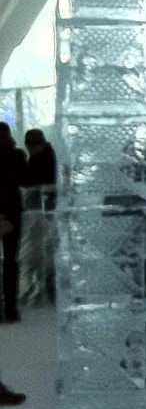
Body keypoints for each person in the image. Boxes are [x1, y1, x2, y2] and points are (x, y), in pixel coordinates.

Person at [19, 128, 57, 307]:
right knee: (44, 250)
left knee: (43, 250)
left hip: (43, 210)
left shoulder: (43, 160)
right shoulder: (46, 156)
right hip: (44, 209)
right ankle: (46, 288)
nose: (30, 151)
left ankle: (45, 288)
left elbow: (30, 180)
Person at [0, 122, 28, 323]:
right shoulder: (17, 155)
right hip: (12, 211)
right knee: (11, 261)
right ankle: (11, 308)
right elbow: (25, 180)